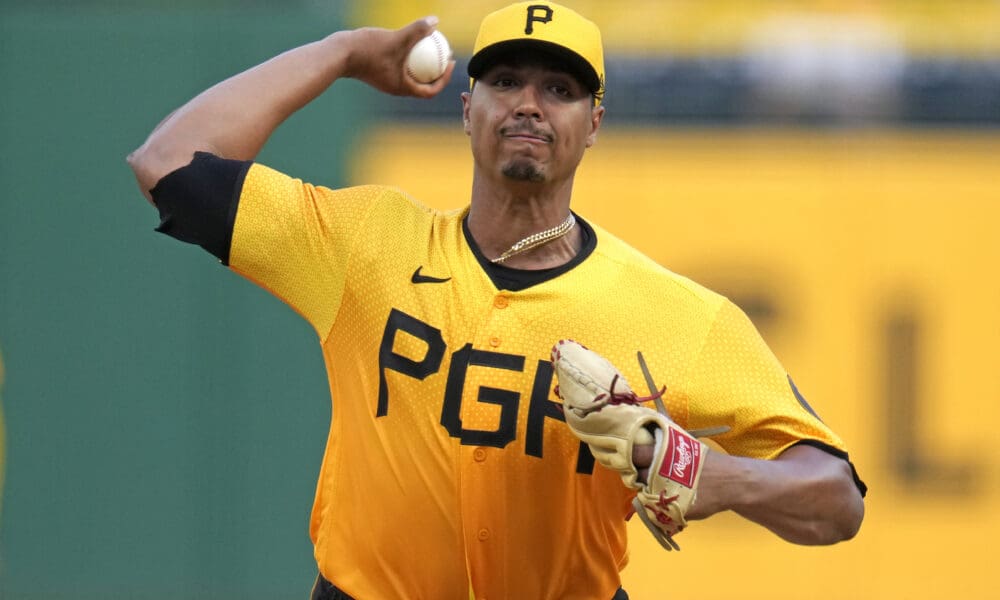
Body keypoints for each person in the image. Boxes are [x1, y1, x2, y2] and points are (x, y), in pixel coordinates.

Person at [127, 2, 866, 598]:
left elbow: (837, 498)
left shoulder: (678, 316)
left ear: (594, 124)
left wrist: (720, 475)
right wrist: (345, 52)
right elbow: (169, 163)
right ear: (466, 106)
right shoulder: (366, 244)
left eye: (561, 89)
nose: (528, 105)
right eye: (505, 81)